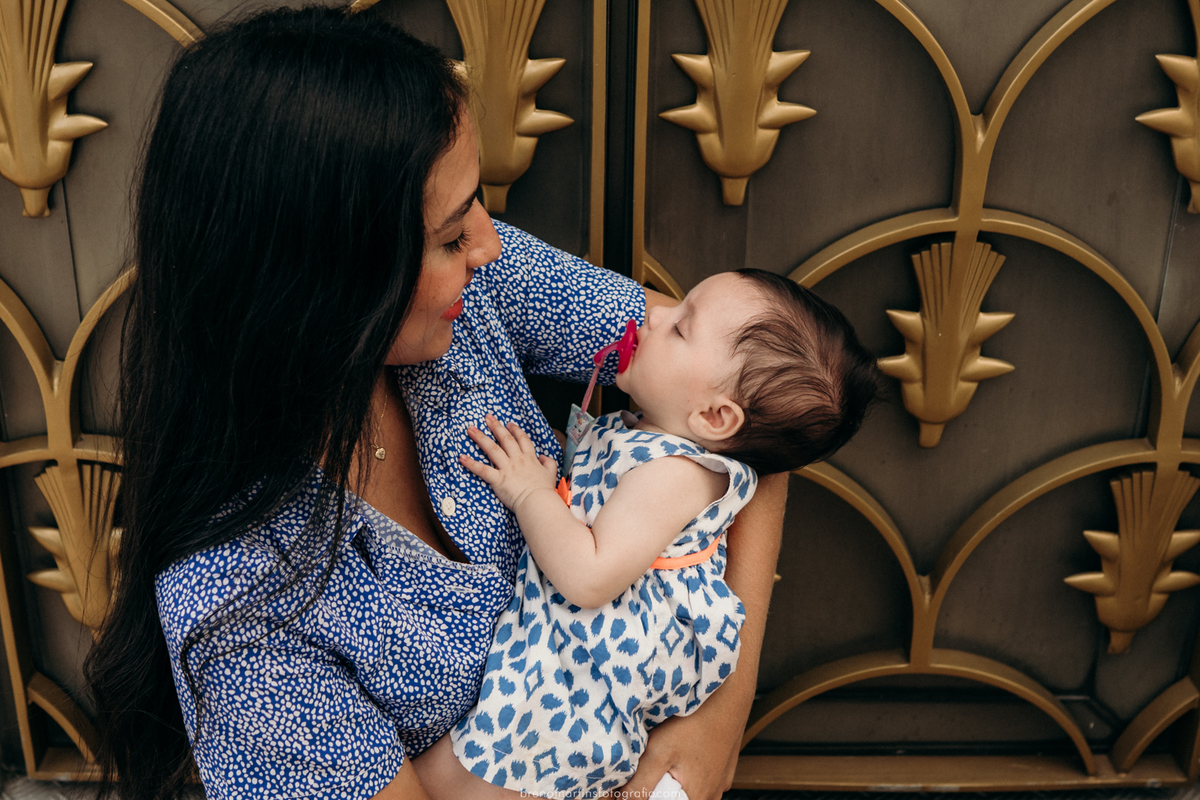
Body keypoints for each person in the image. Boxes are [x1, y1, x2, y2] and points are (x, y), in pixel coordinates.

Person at [82, 7, 789, 800]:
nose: (489, 244)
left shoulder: (475, 288)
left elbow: (744, 395)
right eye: (451, 236)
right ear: (320, 287)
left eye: (476, 204)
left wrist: (719, 716)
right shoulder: (242, 611)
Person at [412, 269, 879, 799]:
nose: (654, 314)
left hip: (574, 694)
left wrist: (528, 494)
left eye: (680, 327)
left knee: (453, 781)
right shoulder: (651, 436)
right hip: (567, 671)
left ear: (714, 416)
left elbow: (588, 576)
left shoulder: (675, 475)